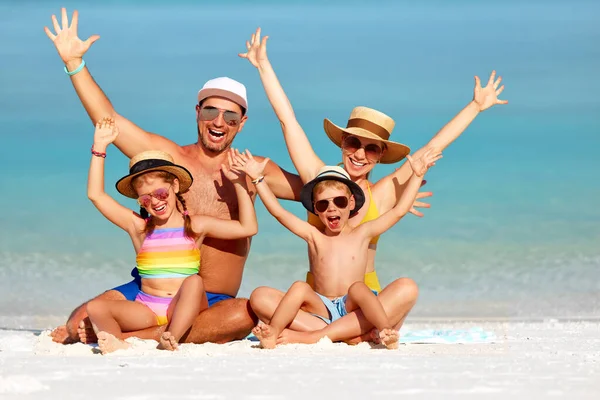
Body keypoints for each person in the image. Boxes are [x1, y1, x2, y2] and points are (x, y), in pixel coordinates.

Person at [44, 9, 303, 345]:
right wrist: (75, 65)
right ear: (198, 112)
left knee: (242, 315)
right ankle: (146, 330)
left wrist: (358, 166)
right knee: (78, 316)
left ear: (243, 123)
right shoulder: (168, 159)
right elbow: (108, 121)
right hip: (152, 287)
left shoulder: (253, 168)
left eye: (230, 116)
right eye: (210, 110)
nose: (219, 122)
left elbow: (318, 190)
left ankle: (139, 335)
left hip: (212, 298)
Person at [239, 28, 508, 344]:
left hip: (364, 303)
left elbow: (432, 148)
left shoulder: (382, 193)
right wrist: (263, 66)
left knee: (407, 289)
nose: (359, 154)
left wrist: (475, 106)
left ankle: (332, 334)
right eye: (354, 142)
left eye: (371, 148)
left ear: (381, 156)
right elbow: (289, 122)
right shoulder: (317, 178)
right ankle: (350, 334)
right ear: (342, 142)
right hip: (317, 305)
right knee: (260, 299)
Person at [231, 149, 440, 349]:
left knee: (379, 288)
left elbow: (399, 211)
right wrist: (258, 180)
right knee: (269, 294)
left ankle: (383, 330)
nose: (331, 208)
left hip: (354, 309)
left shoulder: (363, 232)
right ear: (315, 208)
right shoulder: (314, 235)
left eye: (339, 201)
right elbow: (278, 212)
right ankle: (275, 333)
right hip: (320, 309)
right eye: (323, 205)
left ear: (351, 203)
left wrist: (416, 175)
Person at [86, 117, 258, 353]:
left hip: (183, 306)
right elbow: (96, 195)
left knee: (194, 281)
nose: (155, 202)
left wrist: (239, 183)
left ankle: (171, 337)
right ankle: (118, 343)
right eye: (146, 198)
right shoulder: (139, 228)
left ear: (175, 186)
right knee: (96, 308)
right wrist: (100, 149)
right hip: (147, 308)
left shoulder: (195, 225)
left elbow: (247, 228)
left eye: (160, 193)